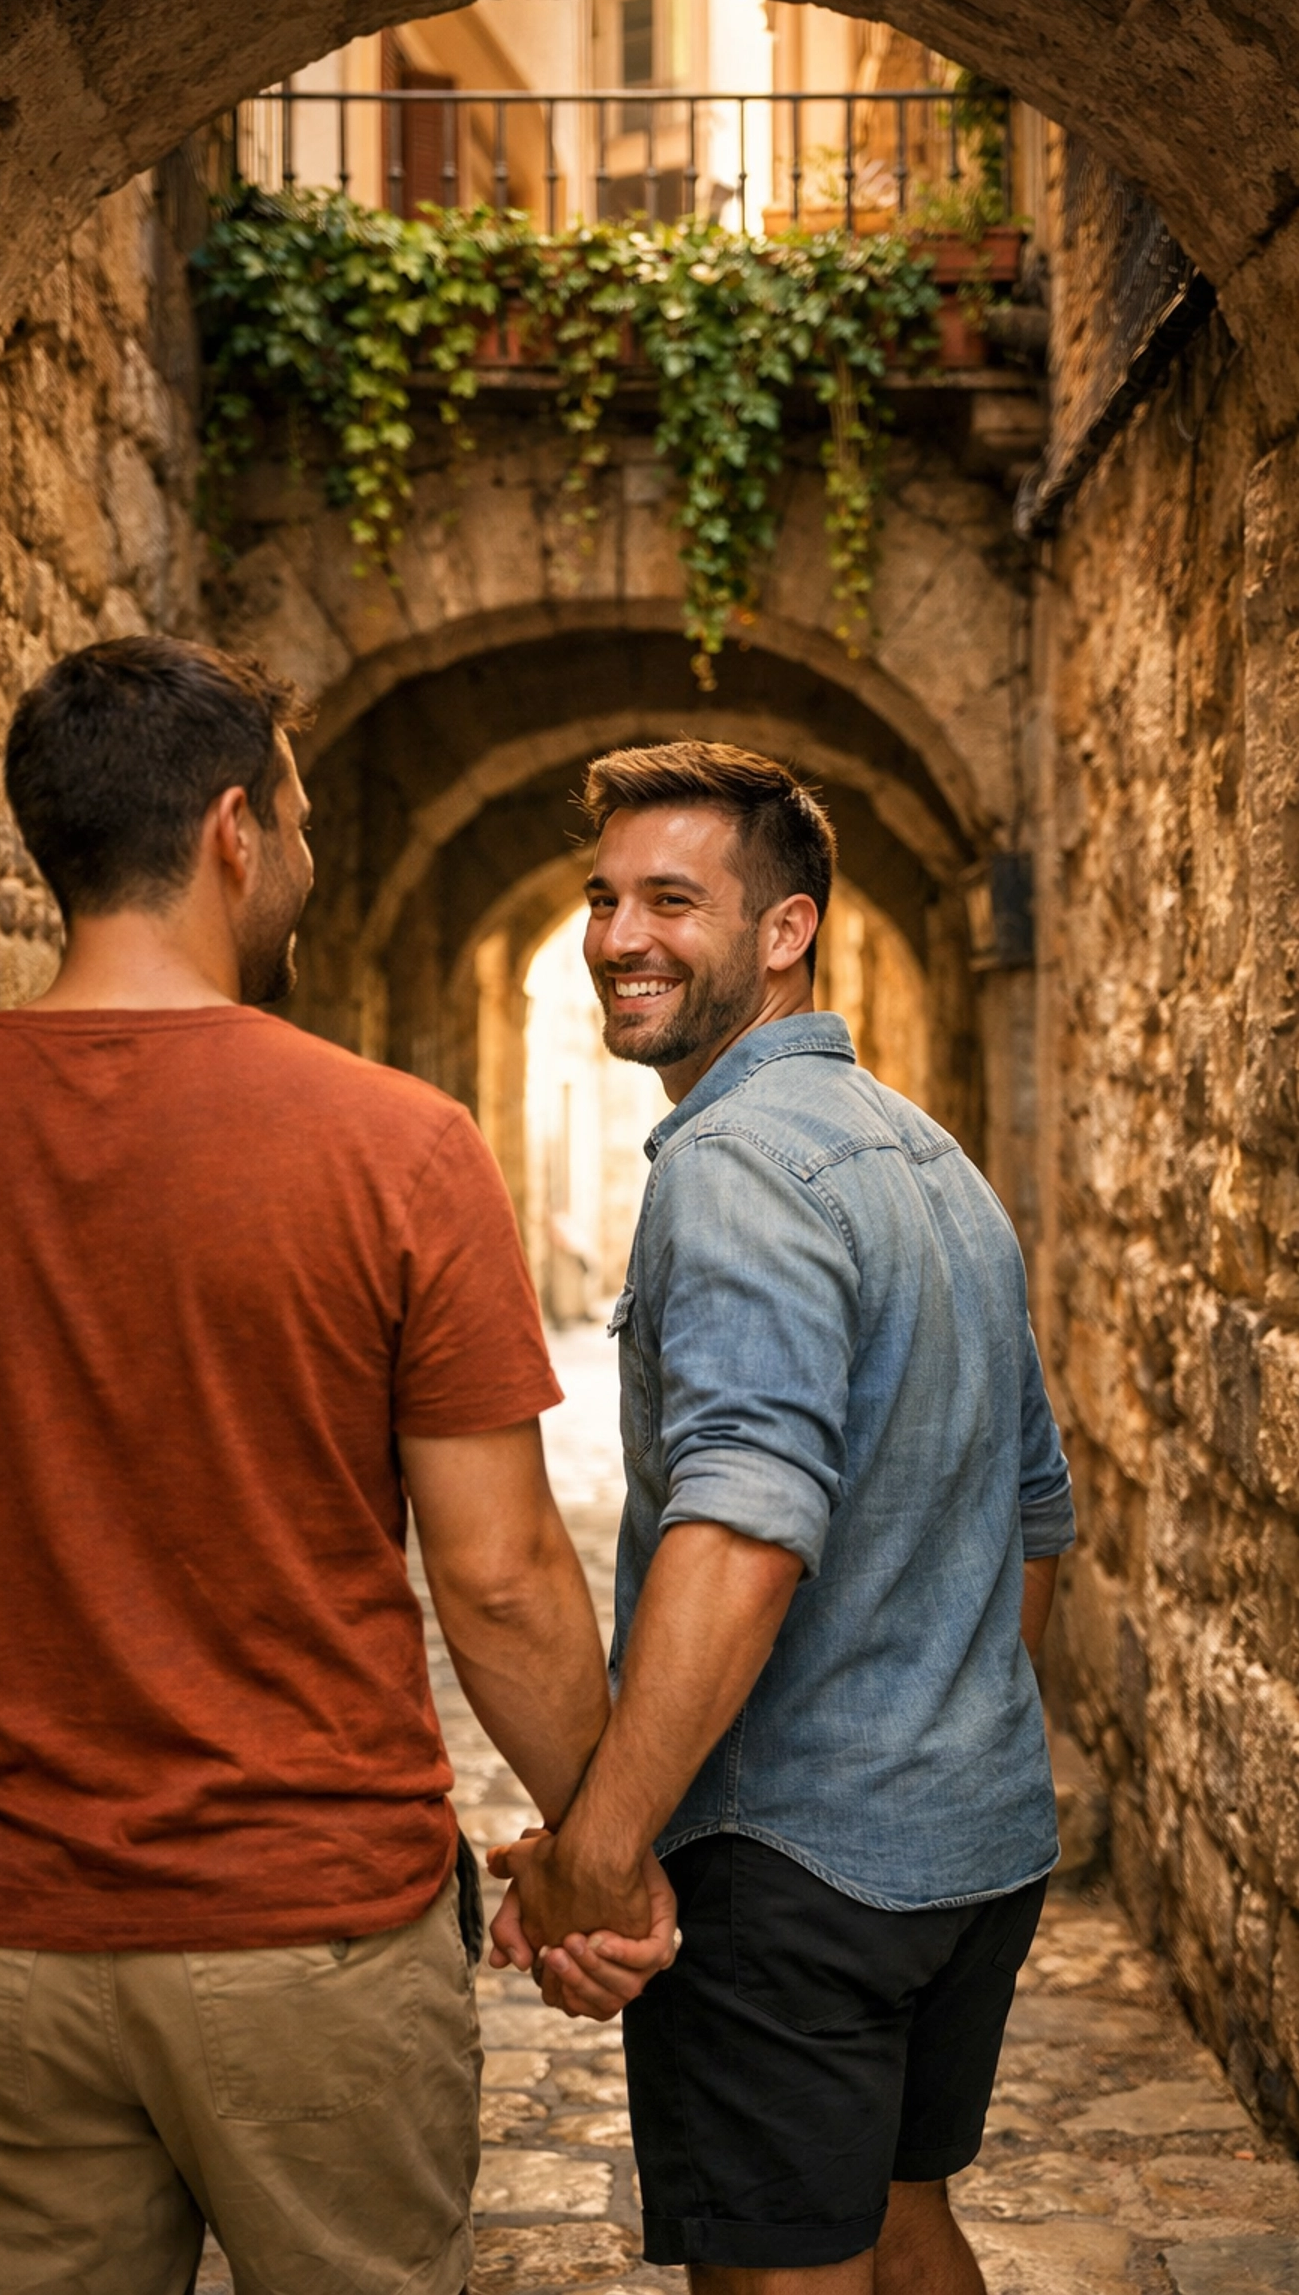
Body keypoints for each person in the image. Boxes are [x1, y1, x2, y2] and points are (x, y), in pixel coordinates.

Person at [0, 635, 658, 2295]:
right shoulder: (399, 1148)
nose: (308, 862)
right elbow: (501, 1575)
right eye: (305, 824)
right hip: (313, 1937)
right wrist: (597, 1845)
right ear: (237, 830)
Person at [492, 741, 1075, 2294]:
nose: (619, 936)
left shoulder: (738, 1164)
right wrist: (934, 1739)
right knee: (905, 2218)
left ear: (785, 929)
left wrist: (604, 1855)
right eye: (604, 898)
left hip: (790, 1880)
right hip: (972, 1852)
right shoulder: (934, 1161)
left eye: (672, 899)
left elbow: (744, 1534)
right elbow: (1033, 1524)